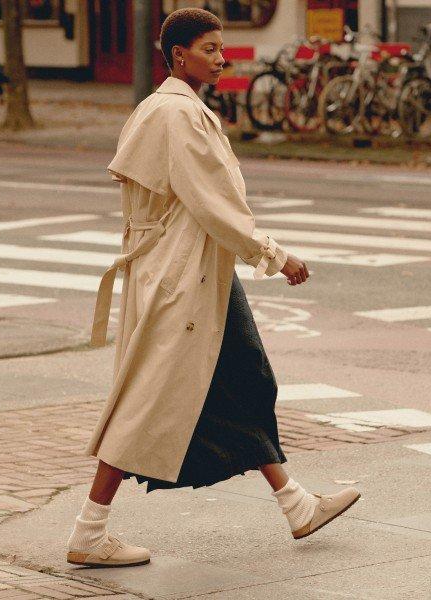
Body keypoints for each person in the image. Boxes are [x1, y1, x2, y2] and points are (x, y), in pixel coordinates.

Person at [65, 8, 361, 568]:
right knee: (145, 401)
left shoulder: (164, 109)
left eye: (221, 48)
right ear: (178, 55)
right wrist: (278, 257)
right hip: (185, 277)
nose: (221, 58)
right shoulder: (178, 116)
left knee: (244, 382)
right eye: (209, 48)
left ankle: (297, 505)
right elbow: (215, 206)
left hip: (194, 273)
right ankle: (88, 531)